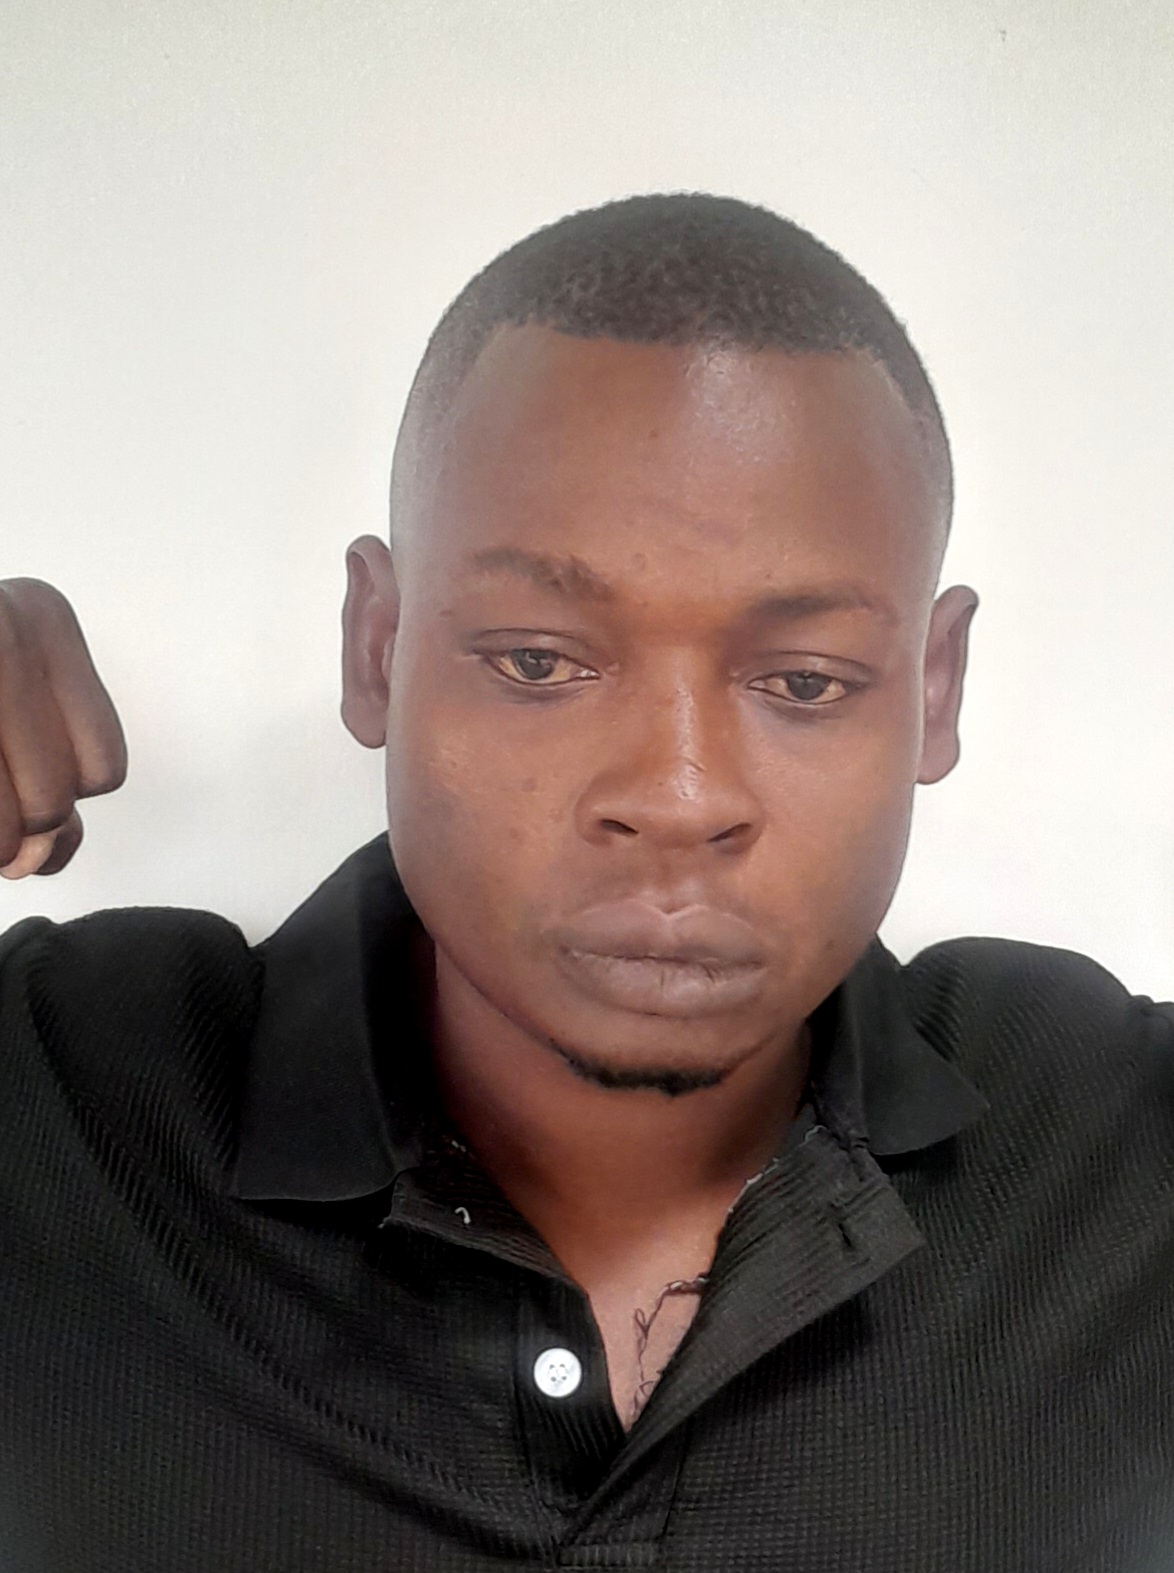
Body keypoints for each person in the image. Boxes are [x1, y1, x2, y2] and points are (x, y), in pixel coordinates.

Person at [0, 193, 1170, 1573]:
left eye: (803, 681)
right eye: (539, 660)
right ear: (376, 647)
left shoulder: (1121, 1155)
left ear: (931, 688)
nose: (676, 796)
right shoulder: (53, 1102)